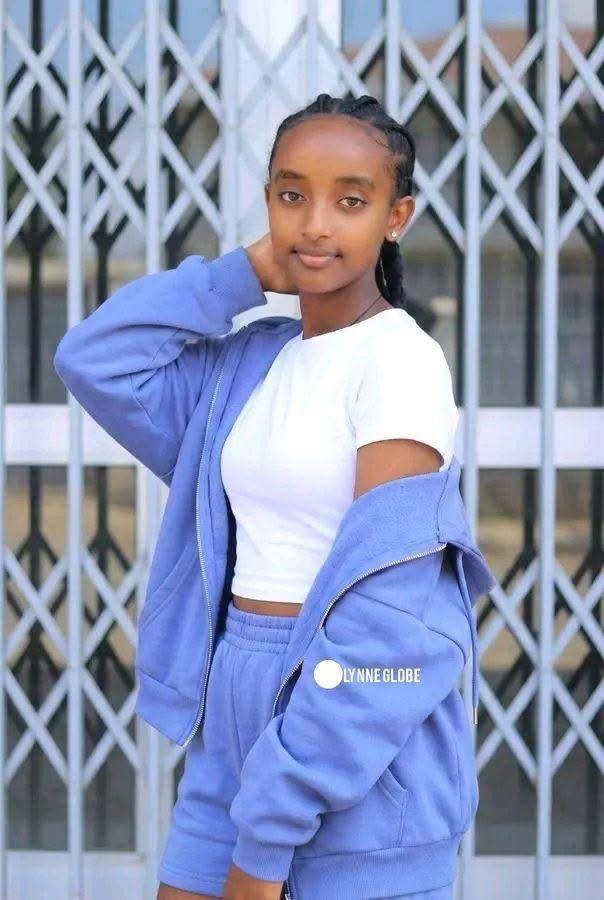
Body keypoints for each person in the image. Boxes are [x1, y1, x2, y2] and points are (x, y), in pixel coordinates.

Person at [54, 93, 496, 900]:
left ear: (396, 217)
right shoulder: (251, 362)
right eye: (293, 195)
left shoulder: (399, 362)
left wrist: (266, 841)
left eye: (350, 201)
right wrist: (246, 274)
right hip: (234, 706)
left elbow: (389, 621)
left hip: (348, 722)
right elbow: (94, 358)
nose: (316, 224)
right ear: (268, 203)